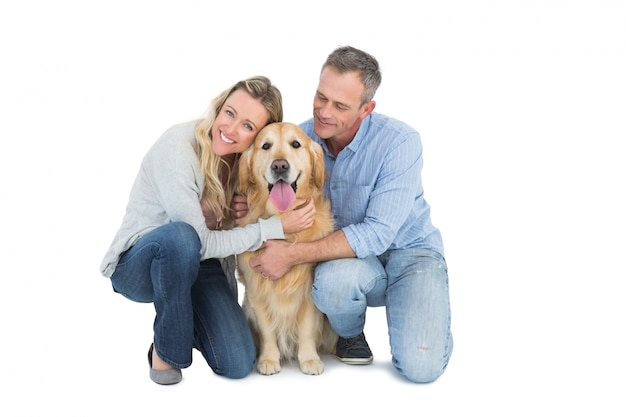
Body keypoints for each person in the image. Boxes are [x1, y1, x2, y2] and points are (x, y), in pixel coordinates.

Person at [245, 46, 453, 383]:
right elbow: (261, 176)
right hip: (349, 262)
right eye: (320, 97)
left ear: (366, 109)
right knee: (332, 284)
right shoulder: (299, 139)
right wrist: (245, 203)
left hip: (410, 255)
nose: (324, 113)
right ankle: (350, 332)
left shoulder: (400, 142)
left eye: (340, 106)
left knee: (421, 368)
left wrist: (293, 254)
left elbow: (377, 234)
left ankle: (429, 320)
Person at [100, 76, 316, 385]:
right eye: (229, 113)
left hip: (200, 264)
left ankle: (180, 322)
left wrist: (235, 214)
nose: (230, 129)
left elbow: (219, 238)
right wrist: (273, 228)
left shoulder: (251, 163)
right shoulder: (178, 150)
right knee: (182, 237)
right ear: (219, 106)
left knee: (239, 362)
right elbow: (198, 241)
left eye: (247, 126)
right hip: (139, 265)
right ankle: (165, 354)